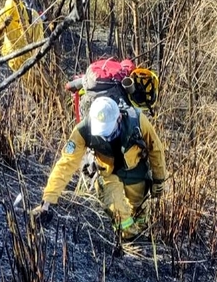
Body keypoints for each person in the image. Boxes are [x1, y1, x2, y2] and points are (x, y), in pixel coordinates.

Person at [31, 97, 167, 240]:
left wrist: (159, 179)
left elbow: (156, 149)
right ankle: (128, 239)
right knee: (120, 216)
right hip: (108, 173)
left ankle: (140, 238)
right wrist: (47, 201)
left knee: (141, 215)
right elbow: (66, 164)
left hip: (136, 171)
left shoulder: (138, 121)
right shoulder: (83, 130)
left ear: (119, 118)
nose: (104, 136)